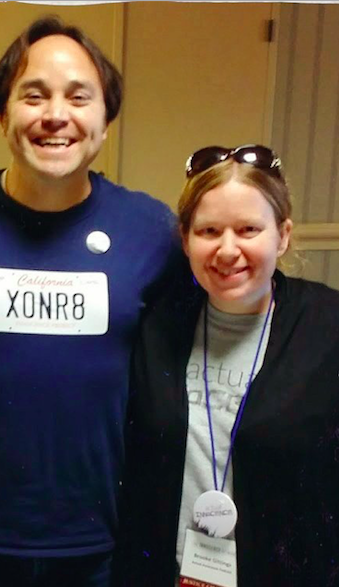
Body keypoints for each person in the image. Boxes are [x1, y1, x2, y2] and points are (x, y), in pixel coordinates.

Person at [0, 16, 179, 587]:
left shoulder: (151, 230)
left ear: (105, 120)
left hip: (100, 545)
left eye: (79, 97)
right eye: (34, 96)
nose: (56, 115)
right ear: (3, 115)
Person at [119, 145, 339, 586]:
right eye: (209, 231)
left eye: (248, 229)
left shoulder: (327, 326)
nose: (227, 249)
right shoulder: (154, 324)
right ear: (185, 239)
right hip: (165, 573)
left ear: (283, 235)